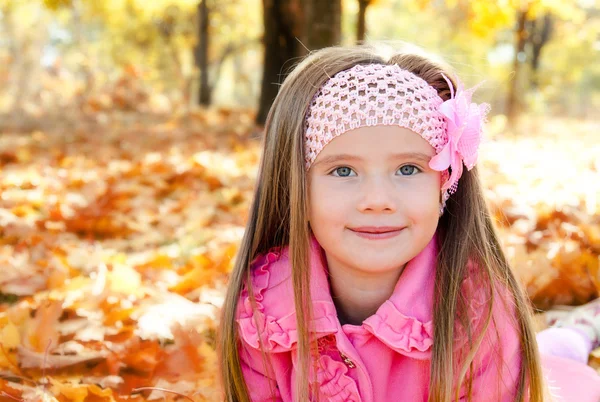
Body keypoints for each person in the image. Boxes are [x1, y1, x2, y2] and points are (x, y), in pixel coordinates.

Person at [217, 44, 600, 402]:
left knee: (561, 368)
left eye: (408, 168)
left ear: (444, 184)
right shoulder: (264, 310)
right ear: (296, 187)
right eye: (344, 170)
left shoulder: (480, 312)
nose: (378, 201)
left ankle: (576, 333)